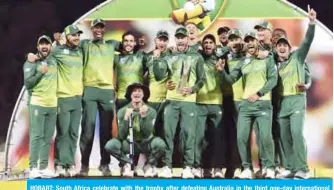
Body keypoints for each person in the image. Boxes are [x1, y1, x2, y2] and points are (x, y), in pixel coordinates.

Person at [217, 31, 278, 179]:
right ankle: (246, 168)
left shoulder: (267, 58)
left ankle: (269, 168)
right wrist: (221, 72)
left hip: (262, 103)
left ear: (257, 42)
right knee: (241, 137)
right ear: (245, 44)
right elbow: (231, 79)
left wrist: (259, 94)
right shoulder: (243, 61)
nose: (250, 43)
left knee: (264, 137)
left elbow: (273, 80)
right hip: (245, 105)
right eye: (248, 41)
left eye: (253, 40)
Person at [27, 25, 84, 177]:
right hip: (63, 98)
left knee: (73, 133)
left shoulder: (81, 50)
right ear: (66, 37)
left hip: (77, 98)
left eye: (78, 35)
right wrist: (32, 57)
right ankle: (59, 164)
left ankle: (70, 164)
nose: (76, 38)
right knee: (62, 133)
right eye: (73, 35)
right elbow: (43, 54)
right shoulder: (57, 51)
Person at [153, 27, 205, 179]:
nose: (181, 40)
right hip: (171, 101)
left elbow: (202, 80)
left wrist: (193, 89)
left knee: (189, 135)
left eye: (183, 37)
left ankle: (188, 167)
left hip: (189, 102)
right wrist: (156, 59)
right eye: (178, 37)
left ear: (188, 39)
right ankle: (167, 166)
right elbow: (158, 76)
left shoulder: (197, 57)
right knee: (168, 135)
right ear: (175, 39)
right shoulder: (169, 56)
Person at [274, 5, 316, 179]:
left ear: (289, 46)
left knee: (297, 134)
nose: (282, 47)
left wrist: (312, 23)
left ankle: (303, 169)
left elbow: (307, 41)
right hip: (282, 103)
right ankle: (291, 168)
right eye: (279, 46)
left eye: (284, 44)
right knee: (285, 137)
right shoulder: (275, 65)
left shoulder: (297, 57)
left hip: (297, 100)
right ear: (276, 49)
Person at [79, 18, 120, 176]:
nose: (98, 30)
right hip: (89, 90)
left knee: (106, 131)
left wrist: (140, 43)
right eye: (95, 27)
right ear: (91, 29)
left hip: (107, 91)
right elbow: (68, 44)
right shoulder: (85, 44)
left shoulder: (111, 45)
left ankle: (105, 164)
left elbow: (130, 46)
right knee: (87, 129)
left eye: (101, 27)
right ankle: (84, 165)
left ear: (104, 29)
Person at [104, 83, 166, 178]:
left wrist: (144, 117)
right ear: (130, 94)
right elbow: (121, 136)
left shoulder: (151, 111)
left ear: (143, 95)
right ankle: (128, 164)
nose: (137, 93)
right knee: (110, 145)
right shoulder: (122, 111)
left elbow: (147, 133)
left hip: (146, 143)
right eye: (134, 91)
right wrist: (125, 118)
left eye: (139, 91)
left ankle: (148, 165)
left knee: (160, 144)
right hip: (129, 143)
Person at [24, 35, 57, 179]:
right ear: (37, 47)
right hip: (38, 103)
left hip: (53, 104)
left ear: (51, 46)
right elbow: (28, 84)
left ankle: (42, 168)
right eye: (41, 44)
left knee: (47, 137)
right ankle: (33, 168)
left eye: (47, 44)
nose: (44, 46)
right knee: (36, 136)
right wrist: (39, 73)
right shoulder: (31, 63)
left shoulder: (54, 60)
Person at [192, 34, 224, 178]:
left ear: (215, 45)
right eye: (206, 43)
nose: (208, 45)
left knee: (216, 139)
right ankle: (199, 167)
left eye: (211, 42)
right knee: (198, 138)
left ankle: (217, 168)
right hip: (199, 103)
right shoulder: (197, 57)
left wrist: (221, 71)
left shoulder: (220, 59)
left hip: (216, 103)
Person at [220, 29, 244, 178]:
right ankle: (232, 167)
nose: (234, 42)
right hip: (230, 100)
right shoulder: (225, 55)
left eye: (237, 39)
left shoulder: (249, 54)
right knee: (231, 135)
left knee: (244, 135)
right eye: (231, 40)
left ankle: (244, 167)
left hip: (248, 100)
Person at [115, 31, 149, 109]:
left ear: (135, 43)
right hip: (122, 98)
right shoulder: (117, 58)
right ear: (122, 42)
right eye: (126, 41)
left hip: (138, 98)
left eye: (131, 41)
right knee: (122, 121)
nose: (128, 43)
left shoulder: (142, 56)